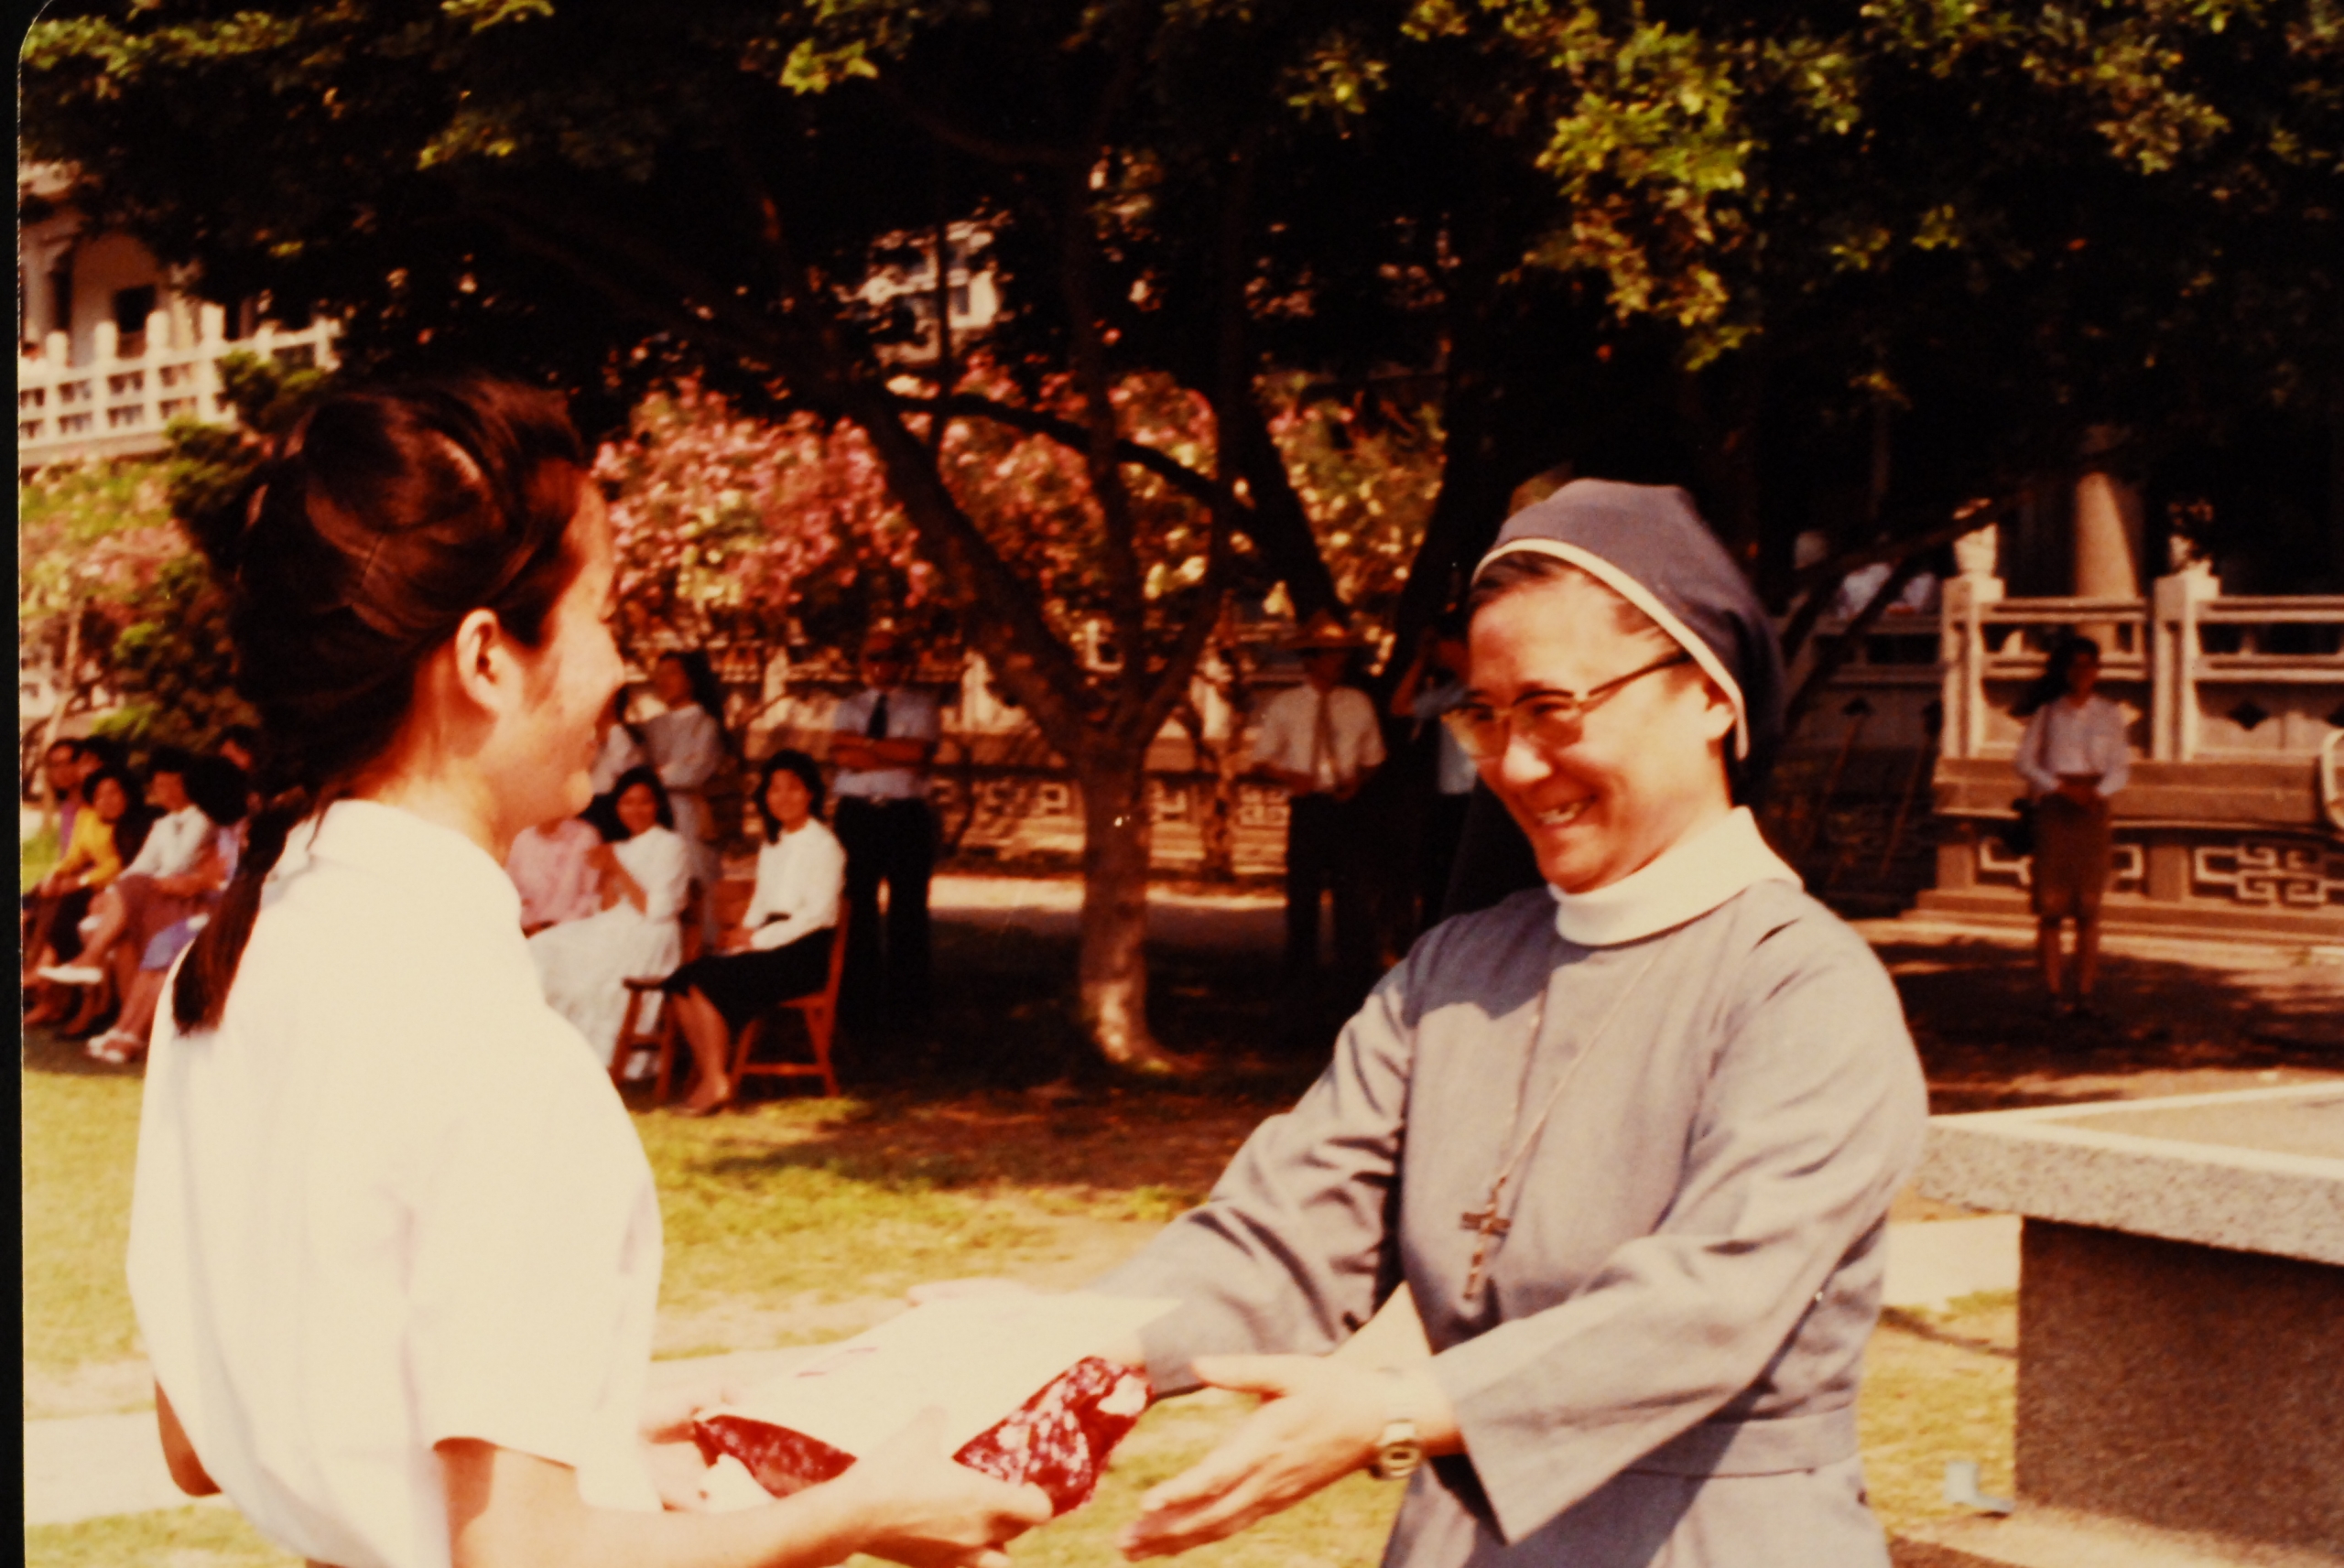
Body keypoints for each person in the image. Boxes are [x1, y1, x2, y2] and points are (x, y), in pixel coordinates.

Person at [127, 376, 1048, 1568]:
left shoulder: (228, 964)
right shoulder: (491, 1052)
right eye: (606, 613)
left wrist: (588, 1428)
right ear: (485, 659)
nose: (621, 665)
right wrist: (851, 1513)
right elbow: (522, 1555)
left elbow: (204, 1438)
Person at [1091, 480, 1928, 1568]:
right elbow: (1283, 1234)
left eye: (1554, 710)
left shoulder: (1803, 989)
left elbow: (1706, 1305)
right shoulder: (1458, 969)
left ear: (1711, 697)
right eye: (1485, 715)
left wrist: (1397, 1410)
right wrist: (1058, 1352)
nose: (1515, 766)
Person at [659, 751, 846, 1116]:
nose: (783, 797)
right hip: (767, 941)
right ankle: (715, 1078)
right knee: (682, 981)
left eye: (793, 788)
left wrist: (757, 940)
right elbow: (762, 900)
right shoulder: (773, 844)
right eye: (774, 789)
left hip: (801, 950)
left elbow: (818, 915)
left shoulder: (825, 847)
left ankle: (714, 1084)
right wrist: (745, 933)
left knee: (707, 981)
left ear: (810, 793)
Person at [1251, 611, 1386, 1002]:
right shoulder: (1286, 704)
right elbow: (1260, 760)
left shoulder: (1358, 703)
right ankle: (1298, 995)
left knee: (1351, 906)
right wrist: (1290, 777)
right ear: (1309, 659)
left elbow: (1373, 758)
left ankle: (1352, 995)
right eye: (1329, 654)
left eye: (1342, 654)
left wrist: (1356, 782)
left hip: (1346, 811)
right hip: (1307, 810)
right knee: (1302, 905)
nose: (1338, 662)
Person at [87, 752, 252, 1067]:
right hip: (215, 905)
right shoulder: (225, 830)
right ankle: (126, 1029)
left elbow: (235, 880)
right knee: (163, 941)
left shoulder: (249, 829)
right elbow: (211, 871)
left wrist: (202, 883)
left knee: (174, 946)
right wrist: (201, 880)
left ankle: (132, 1035)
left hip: (235, 913)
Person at [529, 766, 692, 1071]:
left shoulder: (672, 845)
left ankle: (597, 1058)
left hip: (651, 933)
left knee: (588, 978)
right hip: (618, 925)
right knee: (543, 945)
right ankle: (544, 1051)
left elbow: (656, 909)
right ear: (617, 807)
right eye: (627, 802)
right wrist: (606, 874)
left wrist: (615, 866)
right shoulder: (621, 846)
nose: (635, 810)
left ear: (658, 804)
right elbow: (609, 908)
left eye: (644, 801)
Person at [2013, 634, 2132, 1019]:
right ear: (2065, 671)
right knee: (2050, 907)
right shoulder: (2048, 713)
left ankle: (2085, 991)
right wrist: (2060, 787)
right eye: (2076, 665)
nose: (2084, 673)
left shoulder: (2110, 714)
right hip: (2055, 810)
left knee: (2088, 908)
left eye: (2090, 665)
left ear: (2098, 671)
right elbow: (2024, 763)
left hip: (2092, 809)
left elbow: (2120, 767)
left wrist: (2098, 793)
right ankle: (2052, 991)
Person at [830, 627, 941, 1035]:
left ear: (903, 662)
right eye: (872, 657)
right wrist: (890, 750)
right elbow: (841, 753)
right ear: (862, 663)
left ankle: (907, 1012)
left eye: (889, 656)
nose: (881, 665)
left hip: (904, 814)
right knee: (856, 910)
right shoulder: (849, 707)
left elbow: (917, 754)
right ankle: (858, 1010)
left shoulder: (922, 706)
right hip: (857, 814)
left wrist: (869, 748)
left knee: (907, 912)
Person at [49, 747, 217, 997]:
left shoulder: (202, 820)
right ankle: (123, 1024)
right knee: (104, 919)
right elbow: (141, 865)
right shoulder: (163, 823)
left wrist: (121, 887)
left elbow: (176, 865)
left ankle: (90, 959)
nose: (168, 792)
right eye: (160, 786)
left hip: (186, 900)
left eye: (175, 784)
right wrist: (109, 893)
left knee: (124, 903)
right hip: (158, 895)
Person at [22, 763, 146, 1024]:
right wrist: (55, 874)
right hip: (99, 886)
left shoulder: (134, 825)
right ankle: (44, 986)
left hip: (112, 889)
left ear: (127, 794)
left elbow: (119, 864)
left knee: (68, 904)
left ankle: (45, 981)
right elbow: (76, 854)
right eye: (100, 795)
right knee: (44, 897)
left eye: (113, 793)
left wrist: (79, 882)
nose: (106, 801)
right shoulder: (87, 816)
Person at [1389, 611, 1476, 934]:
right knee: (1440, 882)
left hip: (1484, 797)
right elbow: (1400, 706)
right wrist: (1420, 662)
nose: (1433, 650)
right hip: (1451, 798)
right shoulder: (1450, 692)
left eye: (1434, 644)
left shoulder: (1489, 683)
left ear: (1452, 643)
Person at [640, 651, 730, 948]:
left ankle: (702, 959)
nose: (663, 680)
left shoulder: (705, 725)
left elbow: (693, 771)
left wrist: (656, 774)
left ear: (691, 679)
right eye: (659, 672)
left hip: (690, 817)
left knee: (697, 888)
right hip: (653, 816)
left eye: (672, 672)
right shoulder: (651, 726)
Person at [507, 812, 608, 935]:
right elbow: (510, 888)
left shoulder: (586, 837)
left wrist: (556, 929)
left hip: (570, 932)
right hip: (524, 930)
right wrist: (526, 924)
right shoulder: (522, 838)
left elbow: (592, 894)